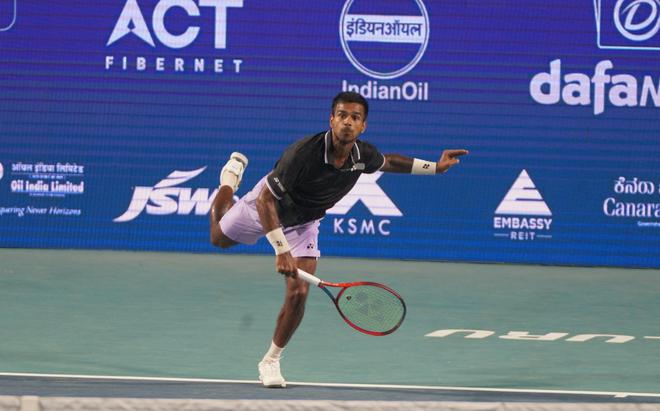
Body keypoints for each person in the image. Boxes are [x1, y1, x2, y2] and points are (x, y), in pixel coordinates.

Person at [209, 91, 468, 388]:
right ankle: (229, 179)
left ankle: (270, 360)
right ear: (331, 120)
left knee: (298, 293)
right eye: (342, 116)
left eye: (355, 118)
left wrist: (435, 167)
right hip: (267, 208)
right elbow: (266, 201)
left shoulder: (362, 155)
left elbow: (390, 162)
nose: (347, 122)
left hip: (305, 223)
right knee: (219, 237)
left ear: (362, 126)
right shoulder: (302, 154)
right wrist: (280, 249)